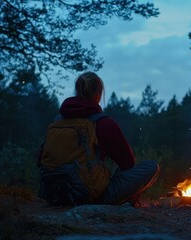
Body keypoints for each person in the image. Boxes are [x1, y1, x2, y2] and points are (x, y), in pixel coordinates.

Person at [38, 71, 159, 206]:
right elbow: (128, 163)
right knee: (151, 167)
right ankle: (127, 201)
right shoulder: (104, 123)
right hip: (88, 197)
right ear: (97, 95)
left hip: (54, 194)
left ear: (77, 91)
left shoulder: (58, 122)